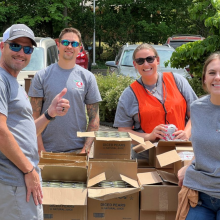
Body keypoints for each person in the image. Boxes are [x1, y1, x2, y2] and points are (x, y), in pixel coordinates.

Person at [0, 24, 70, 220]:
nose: (21, 52)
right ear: (1, 46)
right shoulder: (1, 80)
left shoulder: (13, 81)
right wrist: (29, 170)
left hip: (20, 180)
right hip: (14, 179)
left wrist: (49, 113)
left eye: (27, 49)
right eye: (15, 46)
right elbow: (0, 132)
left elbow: (25, 131)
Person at [113, 43, 197, 160]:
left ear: (157, 60)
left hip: (181, 153)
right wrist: (149, 136)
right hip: (148, 157)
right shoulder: (129, 94)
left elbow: (196, 113)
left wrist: (186, 133)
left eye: (150, 59)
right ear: (135, 64)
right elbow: (123, 132)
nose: (146, 64)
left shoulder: (177, 81)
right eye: (140, 61)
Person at [28, 27, 102, 155]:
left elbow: (94, 118)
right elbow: (33, 117)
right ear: (58, 44)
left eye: (74, 44)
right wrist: (41, 149)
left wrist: (86, 149)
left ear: (79, 48)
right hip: (46, 151)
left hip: (77, 151)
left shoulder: (88, 77)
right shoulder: (42, 76)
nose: (69, 46)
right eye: (65, 42)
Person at [177, 52, 220, 219]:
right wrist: (189, 165)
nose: (217, 77)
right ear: (204, 78)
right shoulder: (196, 108)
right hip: (200, 195)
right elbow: (205, 147)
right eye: (212, 73)